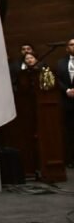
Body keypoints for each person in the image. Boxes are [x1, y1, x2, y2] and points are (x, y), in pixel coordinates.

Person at [55, 38, 74, 168]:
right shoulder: (60, 63)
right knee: (69, 132)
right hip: (66, 102)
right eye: (72, 44)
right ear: (67, 48)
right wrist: (67, 90)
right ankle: (70, 160)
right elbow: (57, 79)